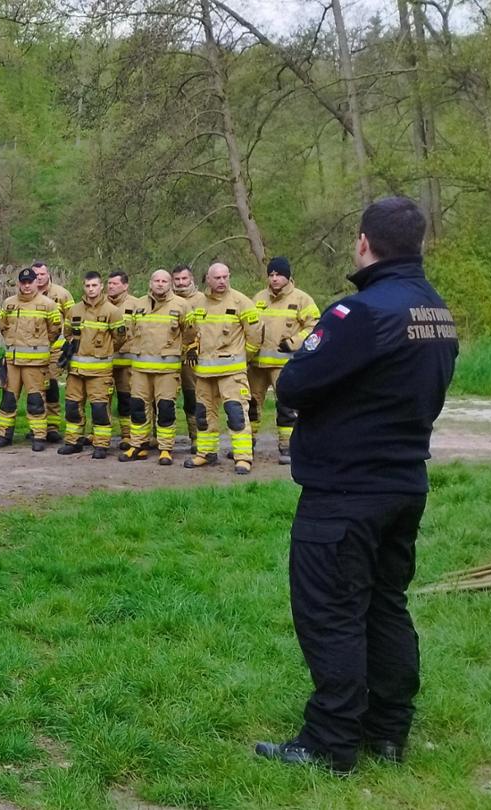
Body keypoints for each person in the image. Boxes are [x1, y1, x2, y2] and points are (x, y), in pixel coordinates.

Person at [255, 196, 457, 775]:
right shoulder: (435, 310)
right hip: (404, 482)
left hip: (345, 492)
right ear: (417, 244)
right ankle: (389, 732)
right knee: (385, 605)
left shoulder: (360, 313)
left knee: (332, 612)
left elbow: (293, 386)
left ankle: (330, 742)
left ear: (364, 242)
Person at [183, 262, 261, 474]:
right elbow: (191, 332)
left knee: (236, 414)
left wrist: (244, 358)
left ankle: (243, 457)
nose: (222, 281)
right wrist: (191, 348)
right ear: (207, 279)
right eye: (217, 278)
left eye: (225, 277)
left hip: (232, 371)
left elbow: (254, 337)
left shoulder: (241, 302)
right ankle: (206, 453)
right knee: (203, 415)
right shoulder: (198, 304)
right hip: (204, 372)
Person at [248, 257, 320, 464]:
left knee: (286, 406)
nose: (274, 279)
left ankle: (287, 447)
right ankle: (247, 445)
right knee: (251, 405)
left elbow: (315, 327)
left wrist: (293, 343)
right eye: (271, 275)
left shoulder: (302, 299)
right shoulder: (258, 298)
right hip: (257, 364)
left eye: (278, 274)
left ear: (287, 276)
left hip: (284, 364)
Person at [120, 269, 192, 464]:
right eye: (157, 280)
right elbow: (130, 331)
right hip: (140, 369)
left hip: (167, 370)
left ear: (170, 284)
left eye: (164, 281)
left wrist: (179, 351)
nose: (160, 284)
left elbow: (191, 334)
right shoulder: (138, 304)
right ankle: (138, 445)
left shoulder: (182, 305)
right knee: (138, 408)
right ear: (150, 283)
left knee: (166, 409)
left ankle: (165, 448)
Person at [0, 267, 63, 451]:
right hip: (13, 362)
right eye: (23, 282)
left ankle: (39, 437)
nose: (26, 286)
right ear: (19, 283)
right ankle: (3, 435)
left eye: (29, 282)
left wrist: (39, 346)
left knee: (36, 401)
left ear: (35, 282)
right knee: (8, 400)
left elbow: (55, 330)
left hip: (36, 363)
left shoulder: (48, 304)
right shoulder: (8, 303)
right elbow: (3, 326)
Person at [59, 272, 126, 458]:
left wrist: (104, 350)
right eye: (87, 286)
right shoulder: (74, 310)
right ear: (83, 287)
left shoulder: (112, 311)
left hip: (100, 372)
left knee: (99, 410)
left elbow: (120, 338)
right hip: (76, 370)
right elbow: (68, 333)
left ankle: (101, 445)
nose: (91, 289)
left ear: (101, 286)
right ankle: (73, 441)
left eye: (94, 286)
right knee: (72, 407)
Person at [104, 271, 145, 453]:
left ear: (125, 286)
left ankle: (127, 434)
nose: (110, 286)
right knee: (102, 398)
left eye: (115, 283)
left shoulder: (136, 305)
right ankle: (101, 434)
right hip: (105, 361)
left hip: (127, 362)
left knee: (126, 398)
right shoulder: (101, 304)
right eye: (109, 283)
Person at [33, 262, 73, 442]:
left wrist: (70, 345)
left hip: (55, 350)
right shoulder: (26, 294)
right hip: (32, 351)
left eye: (43, 274)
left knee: (52, 387)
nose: (40, 277)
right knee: (36, 389)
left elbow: (74, 318)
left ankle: (53, 427)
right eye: (36, 274)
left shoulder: (62, 294)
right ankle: (37, 426)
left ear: (48, 274)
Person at [172, 264, 207, 445]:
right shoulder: (165, 300)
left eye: (184, 279)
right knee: (162, 398)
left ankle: (196, 436)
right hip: (168, 357)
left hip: (193, 358)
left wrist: (196, 347)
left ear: (191, 279)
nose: (180, 283)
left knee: (192, 396)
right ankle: (158, 436)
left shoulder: (203, 300)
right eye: (177, 279)